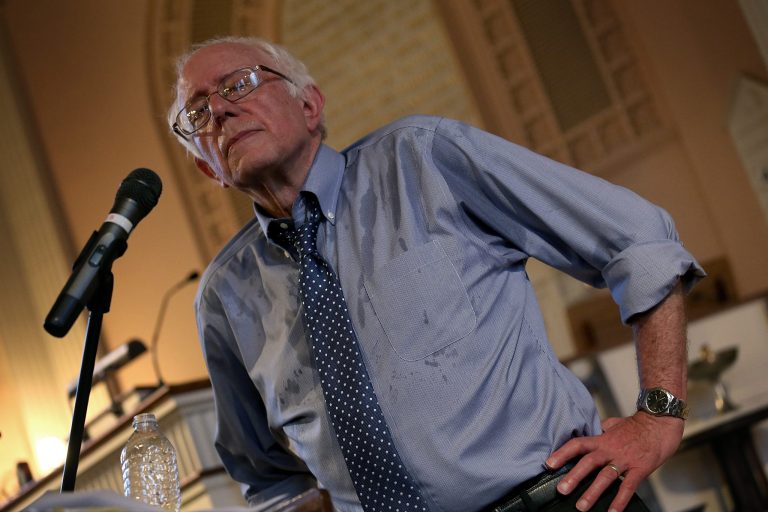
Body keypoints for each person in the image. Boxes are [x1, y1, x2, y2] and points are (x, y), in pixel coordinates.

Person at [168, 35, 704, 512]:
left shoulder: (424, 159)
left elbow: (638, 239)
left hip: (557, 499)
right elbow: (263, 476)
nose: (218, 110)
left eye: (238, 85)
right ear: (205, 167)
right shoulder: (224, 296)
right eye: (196, 113)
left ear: (309, 104)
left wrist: (658, 418)